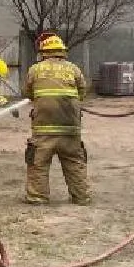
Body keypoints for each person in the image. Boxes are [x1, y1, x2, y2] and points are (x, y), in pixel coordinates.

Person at [22, 35, 91, 205]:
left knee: (38, 163)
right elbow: (83, 91)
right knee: (75, 162)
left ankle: (37, 197)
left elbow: (27, 93)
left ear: (43, 52)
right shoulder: (73, 69)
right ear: (62, 51)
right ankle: (81, 197)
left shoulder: (35, 69)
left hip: (44, 127)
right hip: (70, 127)